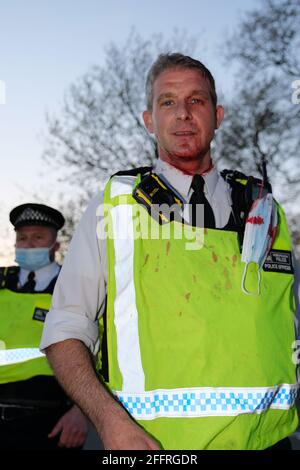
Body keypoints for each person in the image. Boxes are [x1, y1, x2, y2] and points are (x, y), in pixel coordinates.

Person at [41, 53, 299, 450]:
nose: (183, 114)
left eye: (196, 101)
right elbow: (65, 328)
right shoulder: (118, 203)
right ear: (149, 120)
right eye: (168, 102)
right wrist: (109, 423)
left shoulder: (264, 208)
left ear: (218, 115)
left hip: (272, 441)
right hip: (153, 446)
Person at [0, 203, 88, 450]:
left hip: (50, 418)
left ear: (55, 245)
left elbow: (100, 350)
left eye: (38, 237)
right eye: (23, 238)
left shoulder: (74, 286)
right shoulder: (1, 280)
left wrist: (82, 412)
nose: (28, 245)